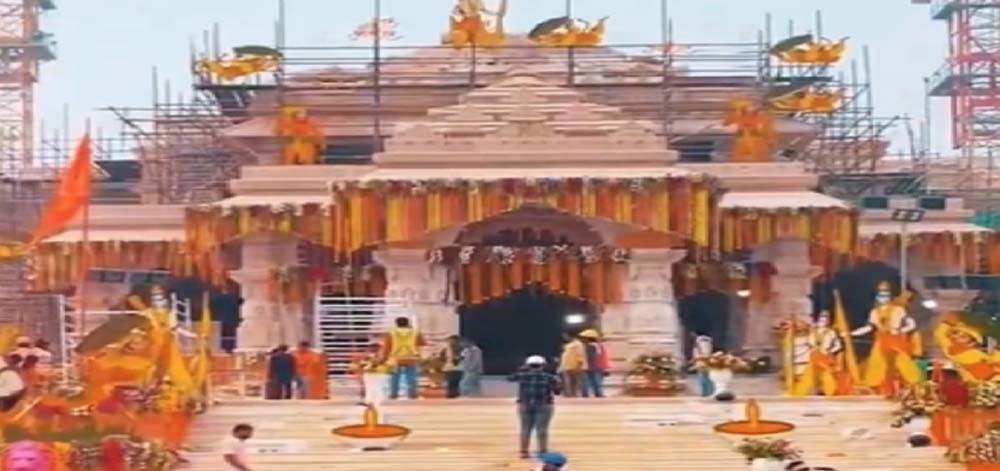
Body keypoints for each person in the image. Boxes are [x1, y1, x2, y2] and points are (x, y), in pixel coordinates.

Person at [851, 281, 921, 394]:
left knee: (902, 361)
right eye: (881, 295)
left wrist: (901, 330)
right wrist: (851, 334)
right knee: (876, 362)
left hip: (895, 340)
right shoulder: (874, 312)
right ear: (877, 297)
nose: (883, 298)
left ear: (890, 296)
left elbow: (911, 325)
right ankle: (872, 385)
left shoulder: (898, 310)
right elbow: (869, 327)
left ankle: (915, 383)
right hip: (881, 340)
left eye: (886, 295)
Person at [508, 355, 562, 459]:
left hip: (525, 404)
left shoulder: (522, 376)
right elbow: (558, 391)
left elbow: (510, 378)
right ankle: (542, 451)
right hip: (544, 405)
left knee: (525, 429)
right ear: (543, 365)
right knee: (542, 429)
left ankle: (524, 452)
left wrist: (522, 368)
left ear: (528, 365)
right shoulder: (549, 377)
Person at [381, 317, 425, 400]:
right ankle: (412, 395)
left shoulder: (391, 333)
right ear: (407, 323)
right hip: (411, 357)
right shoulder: (415, 332)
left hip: (395, 358)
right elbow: (422, 343)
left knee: (394, 378)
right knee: (411, 377)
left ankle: (394, 395)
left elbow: (387, 347)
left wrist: (384, 358)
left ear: (396, 323)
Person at [359, 342, 392, 408]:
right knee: (370, 388)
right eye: (373, 347)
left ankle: (374, 403)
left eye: (376, 347)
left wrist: (374, 363)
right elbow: (362, 365)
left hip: (379, 375)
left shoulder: (384, 356)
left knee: (377, 389)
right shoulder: (368, 356)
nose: (374, 348)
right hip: (370, 374)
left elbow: (387, 364)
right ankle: (369, 401)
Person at [579, 330, 607, 398]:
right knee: (597, 380)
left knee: (589, 380)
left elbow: (591, 357)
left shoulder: (589, 346)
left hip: (591, 365)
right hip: (598, 365)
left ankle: (587, 393)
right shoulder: (599, 346)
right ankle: (598, 393)